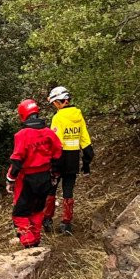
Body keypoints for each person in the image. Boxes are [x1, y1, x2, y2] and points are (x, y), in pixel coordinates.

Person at [6, 99, 62, 249]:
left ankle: (28, 242)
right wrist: (55, 175)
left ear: (22, 115)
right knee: (37, 210)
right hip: (45, 177)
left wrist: (10, 179)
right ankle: (36, 241)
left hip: (27, 179)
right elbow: (58, 154)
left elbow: (17, 159)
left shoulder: (22, 135)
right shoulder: (49, 133)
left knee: (20, 214)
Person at [44, 86, 94, 235]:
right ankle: (66, 224)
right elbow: (86, 143)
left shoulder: (58, 118)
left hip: (58, 160)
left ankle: (47, 219)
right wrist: (86, 164)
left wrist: (49, 162)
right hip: (73, 160)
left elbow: (54, 142)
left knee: (51, 189)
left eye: (55, 103)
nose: (55, 105)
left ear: (61, 102)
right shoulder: (79, 116)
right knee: (68, 191)